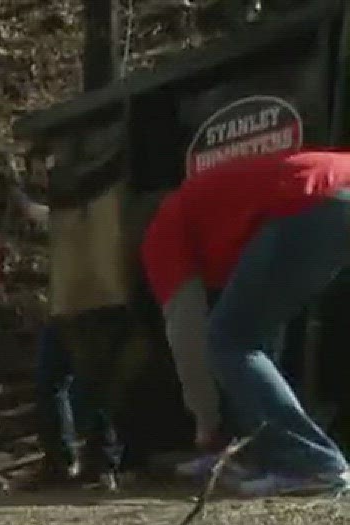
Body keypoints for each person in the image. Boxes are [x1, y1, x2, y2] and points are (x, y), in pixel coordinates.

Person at [141, 149, 350, 496]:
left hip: (313, 198)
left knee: (228, 339)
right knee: (251, 338)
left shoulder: (162, 231)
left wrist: (206, 425)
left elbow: (187, 332)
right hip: (333, 187)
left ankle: (312, 462)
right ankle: (264, 454)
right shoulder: (216, 221)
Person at [4, 176, 122, 488]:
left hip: (84, 305)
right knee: (69, 381)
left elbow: (41, 216)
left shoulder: (91, 209)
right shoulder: (94, 208)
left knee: (68, 381)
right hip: (81, 305)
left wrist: (19, 199)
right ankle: (78, 462)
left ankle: (83, 462)